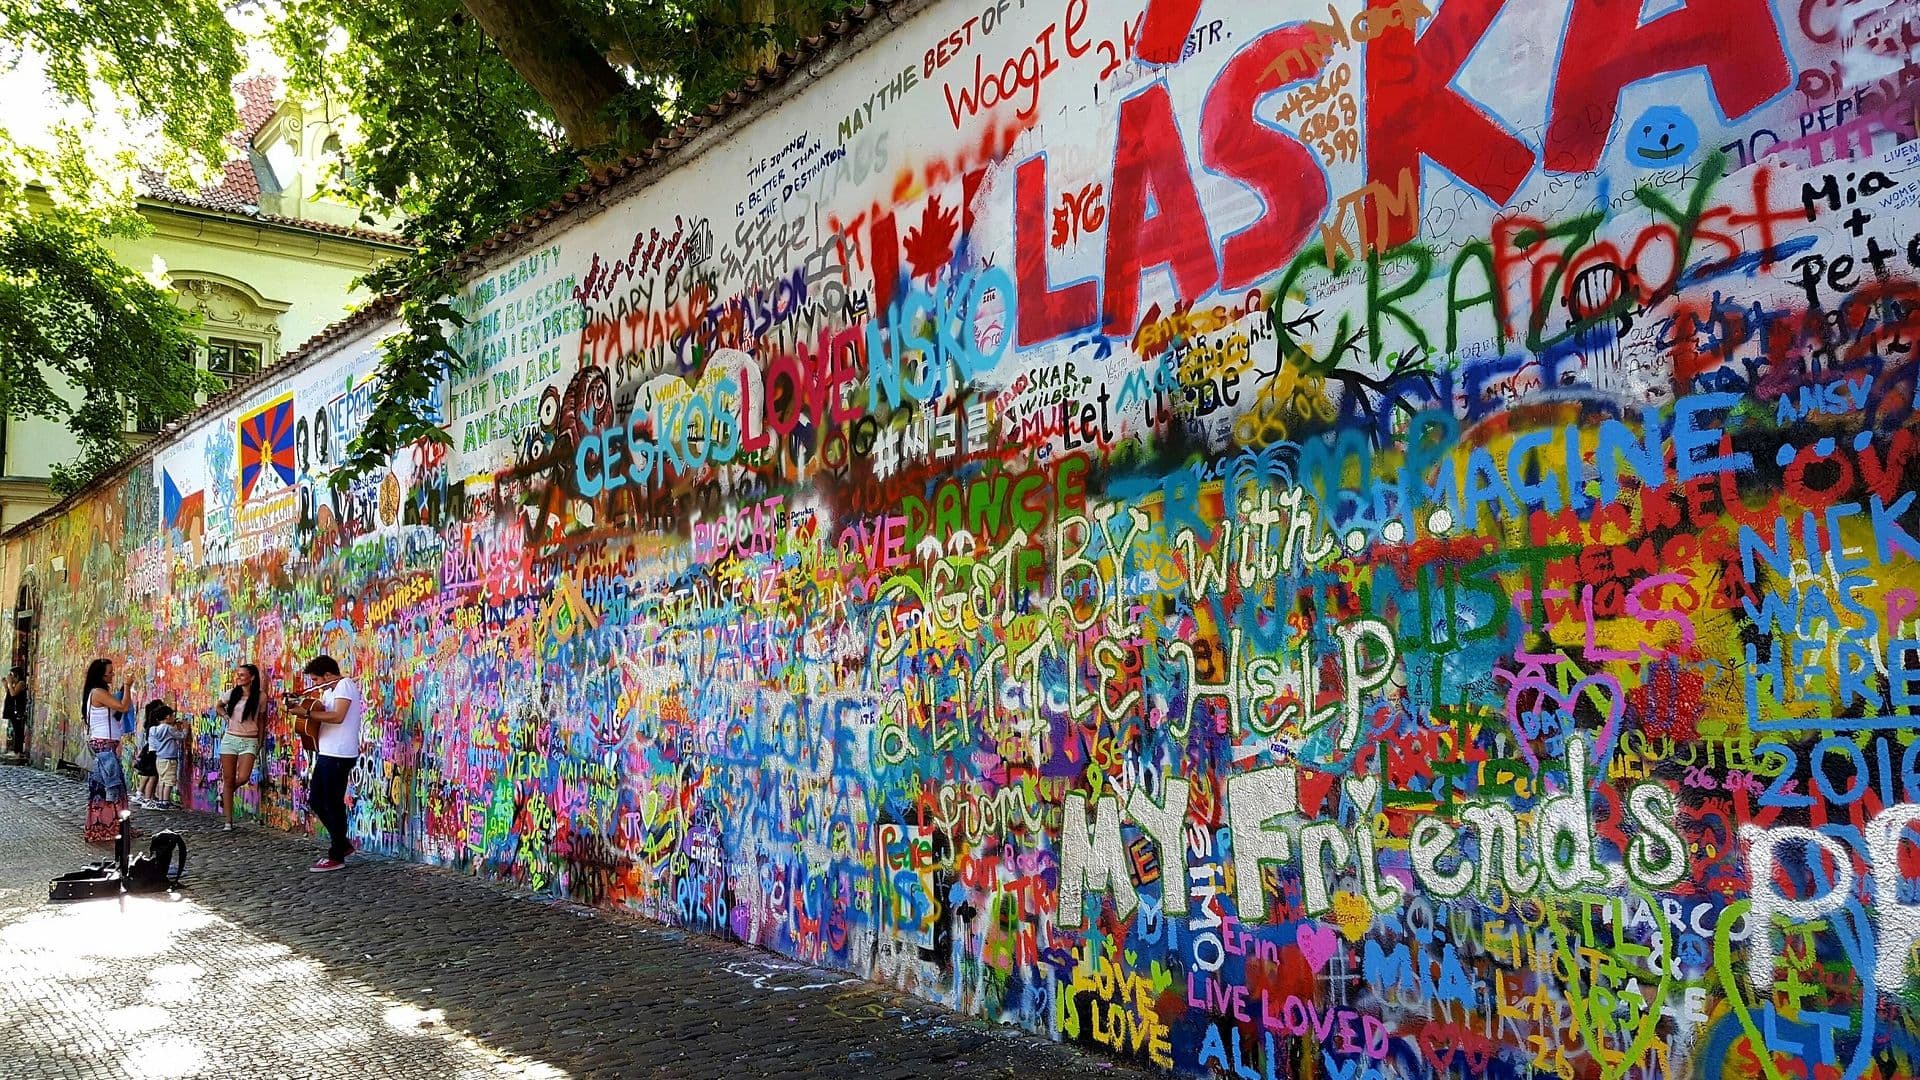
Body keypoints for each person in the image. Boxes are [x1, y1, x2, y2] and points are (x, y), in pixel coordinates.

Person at [290, 655, 362, 871]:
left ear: (328, 675)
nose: (315, 684)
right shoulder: (329, 691)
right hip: (327, 752)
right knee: (317, 800)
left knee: (332, 803)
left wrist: (308, 713)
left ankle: (337, 854)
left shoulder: (345, 686)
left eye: (317, 679)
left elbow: (338, 716)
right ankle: (342, 843)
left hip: (340, 754)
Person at [81, 658, 135, 843]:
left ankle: (113, 825)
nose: (112, 675)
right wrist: (127, 687)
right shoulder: (98, 692)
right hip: (104, 744)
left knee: (111, 786)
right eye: (109, 673)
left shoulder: (100, 693)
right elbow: (123, 707)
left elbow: (117, 711)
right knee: (109, 787)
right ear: (101, 675)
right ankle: (105, 826)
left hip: (107, 743)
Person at [217, 664, 265, 832]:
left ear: (252, 677)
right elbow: (218, 706)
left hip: (249, 740)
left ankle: (226, 793)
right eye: (237, 675)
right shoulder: (232, 694)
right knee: (229, 779)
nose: (238, 677)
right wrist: (226, 717)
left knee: (243, 777)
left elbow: (261, 720)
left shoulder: (260, 697)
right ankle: (228, 821)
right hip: (230, 739)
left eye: (242, 675)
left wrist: (260, 741)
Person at [146, 700, 184, 810]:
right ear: (167, 717)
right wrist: (185, 729)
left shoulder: (154, 729)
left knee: (162, 779)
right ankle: (166, 802)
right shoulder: (169, 728)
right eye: (172, 716)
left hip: (160, 758)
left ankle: (162, 800)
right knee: (169, 781)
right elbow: (181, 736)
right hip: (170, 759)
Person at [133, 710, 160, 806]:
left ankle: (144, 796)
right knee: (151, 776)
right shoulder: (155, 728)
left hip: (148, 752)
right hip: (152, 753)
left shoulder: (149, 726)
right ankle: (147, 798)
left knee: (148, 776)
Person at [3, 666, 25, 757]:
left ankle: (18, 751)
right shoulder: (14, 684)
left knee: (18, 730)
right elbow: (9, 693)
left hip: (18, 710)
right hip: (12, 709)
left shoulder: (21, 683)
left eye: (12, 675)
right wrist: (6, 685)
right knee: (15, 730)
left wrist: (9, 683)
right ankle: (16, 751)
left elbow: (13, 694)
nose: (10, 677)